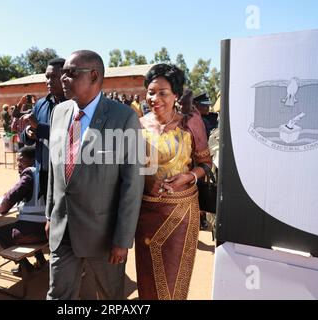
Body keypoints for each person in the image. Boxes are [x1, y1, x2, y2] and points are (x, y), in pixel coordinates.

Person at [46, 50, 144, 300]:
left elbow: (131, 183)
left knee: (110, 297)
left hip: (104, 236)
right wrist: (50, 214)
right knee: (58, 295)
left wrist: (122, 239)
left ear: (94, 76)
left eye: (70, 73)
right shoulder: (59, 112)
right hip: (63, 229)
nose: (62, 78)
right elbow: (54, 170)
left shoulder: (123, 117)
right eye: (62, 73)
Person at [135, 64, 212, 300]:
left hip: (181, 214)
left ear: (176, 95)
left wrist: (189, 176)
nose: (154, 98)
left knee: (173, 282)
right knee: (147, 279)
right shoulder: (138, 125)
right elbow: (131, 168)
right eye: (150, 92)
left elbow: (206, 164)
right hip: (146, 211)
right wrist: (146, 179)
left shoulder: (190, 123)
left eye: (162, 93)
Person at [0, 146, 47, 275]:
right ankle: (40, 259)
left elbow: (12, 196)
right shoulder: (45, 172)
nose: (18, 164)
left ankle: (25, 266)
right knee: (20, 225)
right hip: (47, 230)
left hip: (33, 232)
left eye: (21, 160)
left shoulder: (29, 174)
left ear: (32, 160)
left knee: (1, 233)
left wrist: (2, 208)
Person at [18, 58, 66, 200]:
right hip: (44, 171)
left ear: (65, 78)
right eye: (47, 77)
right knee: (49, 213)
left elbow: (69, 134)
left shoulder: (74, 104)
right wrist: (28, 133)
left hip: (65, 173)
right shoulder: (41, 104)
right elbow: (25, 137)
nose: (49, 81)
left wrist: (38, 128)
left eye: (54, 77)